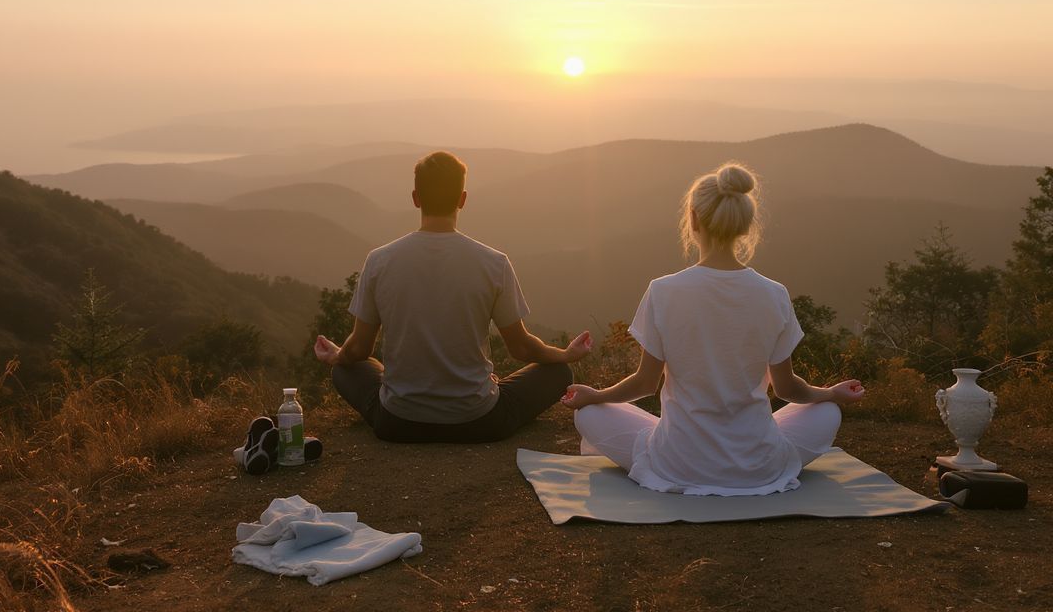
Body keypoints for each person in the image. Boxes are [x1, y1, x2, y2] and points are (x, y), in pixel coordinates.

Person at [562, 162, 865, 495]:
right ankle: (756, 455)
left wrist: (597, 396)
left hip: (678, 463)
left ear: (693, 219)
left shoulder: (663, 291)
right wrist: (831, 393)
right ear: (745, 225)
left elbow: (645, 383)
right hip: (758, 466)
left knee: (589, 414)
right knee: (827, 411)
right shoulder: (774, 294)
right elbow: (787, 388)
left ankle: (680, 452)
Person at [312, 150, 592, 443]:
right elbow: (521, 348)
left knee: (345, 370)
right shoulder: (493, 263)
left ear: (415, 198)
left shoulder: (379, 261)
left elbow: (359, 349)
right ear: (462, 199)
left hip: (397, 422)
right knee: (559, 374)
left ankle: (403, 395)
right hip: (480, 421)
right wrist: (565, 355)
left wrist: (337, 356)